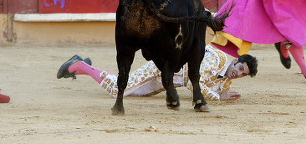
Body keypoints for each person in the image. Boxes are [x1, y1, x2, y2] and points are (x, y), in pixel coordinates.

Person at [57, 44, 258, 101]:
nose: (237, 74)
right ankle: (80, 66)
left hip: (166, 81)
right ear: (235, 60)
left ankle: (85, 67)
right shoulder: (217, 58)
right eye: (239, 68)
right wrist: (217, 97)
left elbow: (211, 87)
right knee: (117, 90)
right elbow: (192, 83)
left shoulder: (226, 81)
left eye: (243, 75)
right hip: (162, 67)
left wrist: (220, 93)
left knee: (131, 92)